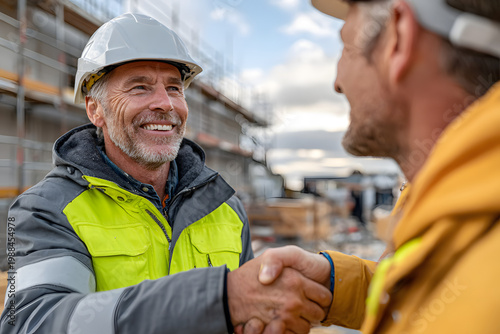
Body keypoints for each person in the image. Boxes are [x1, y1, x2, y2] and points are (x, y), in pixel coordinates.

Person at [0, 13, 331, 334]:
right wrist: (217, 300)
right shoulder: (44, 210)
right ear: (94, 109)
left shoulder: (226, 208)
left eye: (174, 88)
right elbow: (34, 324)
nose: (165, 104)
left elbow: (247, 313)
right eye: (140, 87)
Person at [242, 0, 500, 333]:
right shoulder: (460, 207)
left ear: (398, 38)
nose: (337, 81)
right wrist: (334, 286)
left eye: (346, 47)